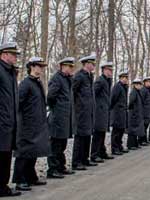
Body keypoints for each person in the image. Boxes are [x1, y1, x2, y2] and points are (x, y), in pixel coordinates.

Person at [13, 57, 49, 191]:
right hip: (26, 124)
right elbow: (18, 103)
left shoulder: (37, 83)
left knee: (33, 152)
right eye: (38, 66)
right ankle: (19, 179)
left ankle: (30, 176)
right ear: (32, 67)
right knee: (23, 152)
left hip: (37, 123)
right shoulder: (26, 83)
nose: (41, 69)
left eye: (42, 67)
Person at [47, 57, 76, 178]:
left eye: (72, 67)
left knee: (62, 144)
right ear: (63, 66)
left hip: (65, 117)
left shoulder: (68, 79)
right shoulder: (57, 79)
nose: (71, 69)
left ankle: (61, 166)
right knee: (55, 144)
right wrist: (57, 109)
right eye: (69, 67)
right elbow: (50, 97)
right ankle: (53, 169)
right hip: (57, 117)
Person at [0, 42, 21, 197]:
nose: (15, 57)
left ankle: (3, 186)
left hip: (9, 122)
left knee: (6, 155)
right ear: (4, 54)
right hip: (2, 122)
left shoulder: (11, 72)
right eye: (13, 54)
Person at [72, 55, 97, 170]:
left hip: (89, 111)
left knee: (87, 136)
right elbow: (73, 92)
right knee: (80, 137)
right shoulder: (79, 76)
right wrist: (78, 106)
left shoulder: (90, 76)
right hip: (80, 111)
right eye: (92, 64)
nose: (93, 66)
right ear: (86, 64)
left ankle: (84, 159)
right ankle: (76, 162)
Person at [91, 62, 114, 163]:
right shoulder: (100, 80)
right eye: (109, 70)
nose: (111, 72)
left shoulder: (107, 81)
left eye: (111, 70)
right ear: (104, 70)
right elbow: (93, 94)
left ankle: (101, 152)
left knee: (102, 133)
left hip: (104, 110)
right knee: (98, 133)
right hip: (99, 111)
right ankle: (94, 154)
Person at [110, 70, 129, 155]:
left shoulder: (124, 87)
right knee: (116, 131)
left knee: (121, 130)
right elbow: (112, 99)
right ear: (120, 78)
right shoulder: (117, 87)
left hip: (122, 112)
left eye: (126, 78)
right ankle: (114, 148)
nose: (125, 79)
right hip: (117, 112)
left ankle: (119, 146)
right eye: (124, 78)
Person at [127, 79, 144, 150]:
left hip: (137, 114)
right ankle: (131, 145)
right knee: (132, 130)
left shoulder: (138, 92)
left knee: (136, 130)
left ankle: (135, 144)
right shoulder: (133, 92)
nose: (140, 86)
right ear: (135, 85)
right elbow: (131, 102)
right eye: (138, 85)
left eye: (140, 85)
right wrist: (133, 111)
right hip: (133, 114)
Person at [140, 77, 150, 145]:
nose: (149, 83)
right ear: (144, 83)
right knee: (143, 127)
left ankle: (144, 139)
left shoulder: (149, 90)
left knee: (146, 126)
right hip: (144, 112)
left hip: (148, 111)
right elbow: (141, 102)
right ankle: (142, 140)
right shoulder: (143, 90)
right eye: (147, 82)